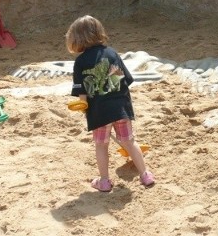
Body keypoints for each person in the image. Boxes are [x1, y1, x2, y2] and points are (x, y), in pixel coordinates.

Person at [66, 15, 155, 192]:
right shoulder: (112, 53)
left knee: (101, 145)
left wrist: (83, 104)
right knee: (129, 141)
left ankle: (105, 181)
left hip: (99, 111)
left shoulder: (81, 62)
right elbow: (125, 80)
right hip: (120, 108)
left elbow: (81, 91)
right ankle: (145, 175)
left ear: (76, 38)